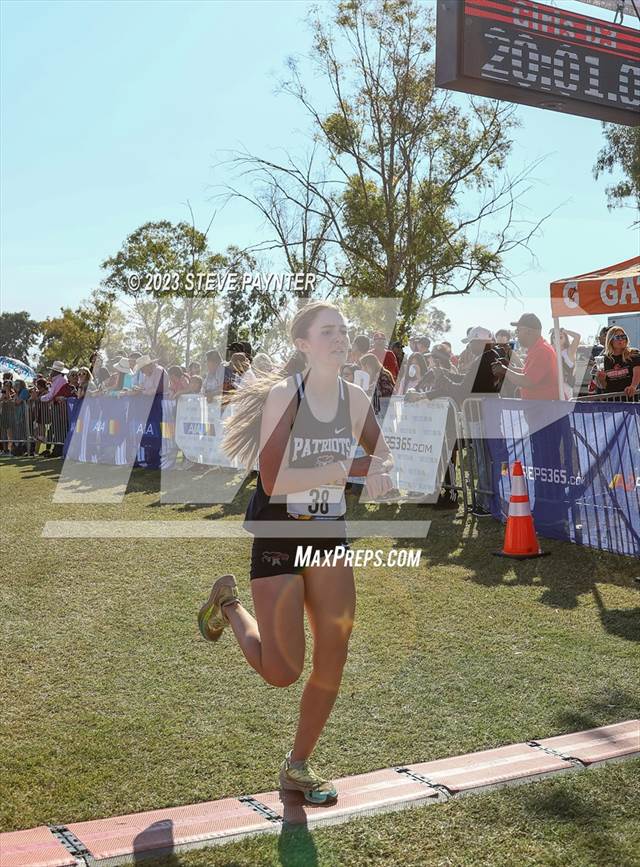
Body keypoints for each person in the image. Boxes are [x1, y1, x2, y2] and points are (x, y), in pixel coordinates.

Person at [196, 301, 394, 805]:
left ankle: (297, 767)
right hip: (280, 536)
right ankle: (228, 605)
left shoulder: (354, 397)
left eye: (343, 331)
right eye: (328, 332)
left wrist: (381, 472)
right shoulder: (287, 394)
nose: (339, 339)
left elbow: (380, 452)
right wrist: (341, 466)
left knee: (334, 659)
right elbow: (272, 479)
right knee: (283, 671)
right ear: (304, 345)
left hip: (329, 537)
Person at [492, 314, 558, 400]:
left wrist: (504, 370)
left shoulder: (542, 351)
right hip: (540, 407)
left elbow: (528, 381)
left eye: (518, 330)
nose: (516, 334)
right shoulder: (537, 348)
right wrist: (508, 367)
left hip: (544, 409)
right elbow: (527, 372)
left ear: (529, 332)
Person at [595, 327, 640, 398]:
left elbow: (637, 372)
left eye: (623, 336)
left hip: (630, 400)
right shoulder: (604, 359)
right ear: (610, 340)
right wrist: (601, 379)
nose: (621, 339)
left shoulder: (633, 353)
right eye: (618, 337)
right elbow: (603, 386)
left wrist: (633, 386)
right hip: (611, 401)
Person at [549, 327, 580, 400]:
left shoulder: (569, 351)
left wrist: (563, 330)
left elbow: (577, 337)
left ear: (565, 338)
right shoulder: (550, 351)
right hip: (552, 386)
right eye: (554, 337)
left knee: (565, 409)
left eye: (560, 337)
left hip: (565, 387)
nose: (557, 339)